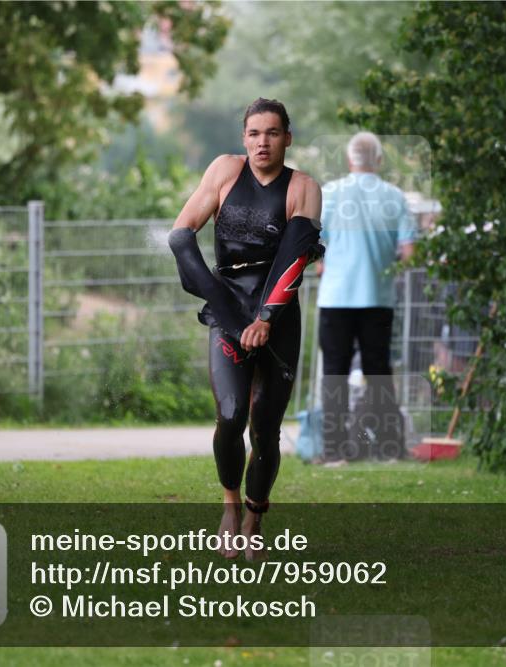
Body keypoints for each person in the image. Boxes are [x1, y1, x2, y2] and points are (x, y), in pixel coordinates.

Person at [169, 98, 323, 560]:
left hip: (278, 313)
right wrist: (233, 318)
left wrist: (265, 319)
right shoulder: (224, 172)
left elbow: (294, 258)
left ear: (287, 139)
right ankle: (230, 507)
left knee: (265, 429)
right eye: (254, 133)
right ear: (244, 138)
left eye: (272, 133)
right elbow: (181, 234)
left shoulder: (304, 187)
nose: (262, 142)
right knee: (231, 416)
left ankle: (256, 515)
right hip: (229, 308)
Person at [316, 132, 417, 461]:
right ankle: (390, 448)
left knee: (335, 374)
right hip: (378, 298)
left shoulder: (330, 194)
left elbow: (313, 244)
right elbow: (409, 253)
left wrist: (323, 263)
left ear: (350, 161)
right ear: (379, 161)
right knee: (379, 373)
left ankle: (334, 452)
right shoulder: (395, 197)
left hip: (335, 298)